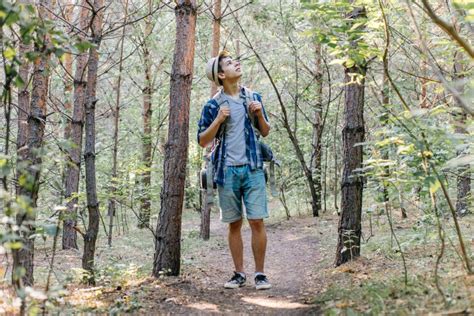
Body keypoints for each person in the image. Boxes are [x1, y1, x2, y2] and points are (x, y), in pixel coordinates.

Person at [197, 50, 272, 290]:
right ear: (220, 74)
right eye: (230, 63)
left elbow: (266, 130)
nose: (236, 64)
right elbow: (202, 140)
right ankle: (239, 274)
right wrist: (218, 120)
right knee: (234, 224)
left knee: (257, 220)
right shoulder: (212, 105)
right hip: (226, 171)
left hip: (253, 169)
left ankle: (260, 274)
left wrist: (259, 114)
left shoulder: (252, 97)